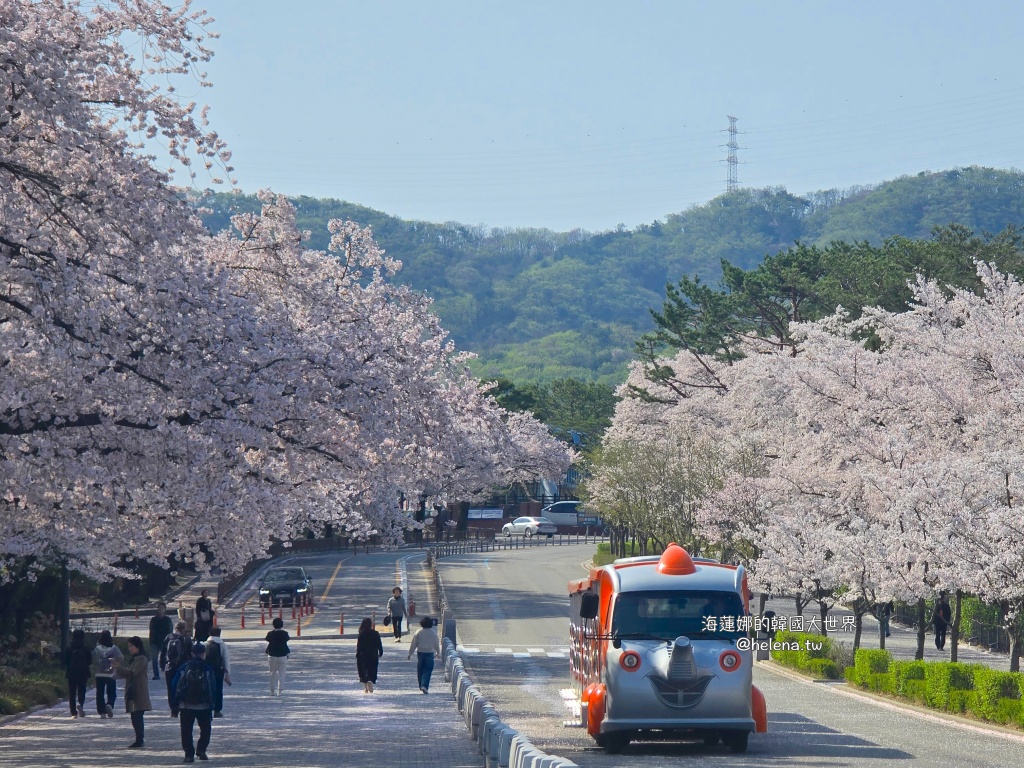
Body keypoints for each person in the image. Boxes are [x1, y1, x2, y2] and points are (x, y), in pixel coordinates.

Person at [171, 644, 216, 763]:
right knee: (206, 729)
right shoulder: (207, 668)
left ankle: (188, 754)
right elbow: (213, 686)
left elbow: (174, 684)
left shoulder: (184, 667)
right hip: (204, 705)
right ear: (203, 654)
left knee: (186, 730)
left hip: (186, 704)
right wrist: (213, 704)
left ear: (192, 653)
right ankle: (201, 749)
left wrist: (174, 704)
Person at [113, 636, 152, 749]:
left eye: (131, 646)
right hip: (133, 691)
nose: (130, 648)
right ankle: (138, 739)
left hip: (139, 692)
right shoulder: (135, 659)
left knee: (137, 715)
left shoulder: (141, 659)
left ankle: (140, 740)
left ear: (137, 646)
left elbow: (133, 673)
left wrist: (119, 668)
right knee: (134, 716)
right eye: (129, 646)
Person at [160, 620, 192, 717]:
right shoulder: (186, 639)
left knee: (170, 688)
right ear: (184, 629)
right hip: (181, 667)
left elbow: (163, 653)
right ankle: (182, 706)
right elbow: (190, 654)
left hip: (169, 667)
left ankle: (173, 710)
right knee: (182, 686)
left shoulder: (168, 637)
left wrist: (162, 665)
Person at [92, 629, 123, 717]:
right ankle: (109, 704)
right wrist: (115, 662)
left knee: (100, 693)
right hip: (111, 673)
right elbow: (121, 657)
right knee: (111, 691)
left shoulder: (97, 649)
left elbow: (93, 658)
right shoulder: (114, 648)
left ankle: (102, 711)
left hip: (99, 673)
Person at [407, 616, 441, 694]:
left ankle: (421, 685)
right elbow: (436, 644)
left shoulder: (419, 632)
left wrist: (410, 653)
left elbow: (414, 643)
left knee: (420, 669)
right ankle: (424, 685)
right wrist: (438, 652)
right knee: (428, 670)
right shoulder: (433, 633)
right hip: (430, 653)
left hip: (420, 652)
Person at [64, 628, 91, 718]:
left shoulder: (69, 648)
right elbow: (89, 661)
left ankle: (73, 712)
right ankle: (80, 704)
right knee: (81, 691)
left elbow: (65, 661)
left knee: (72, 693)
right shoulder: (85, 648)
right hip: (83, 673)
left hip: (71, 673)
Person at [205, 626, 232, 717]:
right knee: (218, 689)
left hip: (207, 670)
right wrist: (227, 673)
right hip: (218, 670)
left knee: (207, 689)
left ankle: (206, 707)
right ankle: (217, 710)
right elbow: (225, 659)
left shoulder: (205, 644)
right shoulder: (222, 644)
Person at [356, 617, 384, 693]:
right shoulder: (375, 633)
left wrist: (357, 654)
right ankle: (370, 681)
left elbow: (359, 646)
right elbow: (379, 644)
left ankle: (366, 687)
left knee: (363, 670)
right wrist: (381, 652)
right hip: (373, 655)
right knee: (372, 669)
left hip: (363, 655)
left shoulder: (361, 634)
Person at [265, 616, 290, 695]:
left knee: (272, 673)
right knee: (281, 673)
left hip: (272, 655)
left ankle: (272, 691)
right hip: (283, 655)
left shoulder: (270, 634)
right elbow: (287, 639)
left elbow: (267, 639)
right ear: (282, 625)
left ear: (273, 625)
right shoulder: (285, 634)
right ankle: (280, 691)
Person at [149, 602, 174, 680]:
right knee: (154, 659)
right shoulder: (153, 619)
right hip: (154, 641)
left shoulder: (167, 620)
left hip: (164, 641)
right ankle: (156, 675)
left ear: (165, 609)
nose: (160, 609)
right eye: (159, 608)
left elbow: (170, 631)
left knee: (165, 658)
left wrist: (169, 641)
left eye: (162, 608)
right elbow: (151, 630)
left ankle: (167, 671)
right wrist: (151, 640)